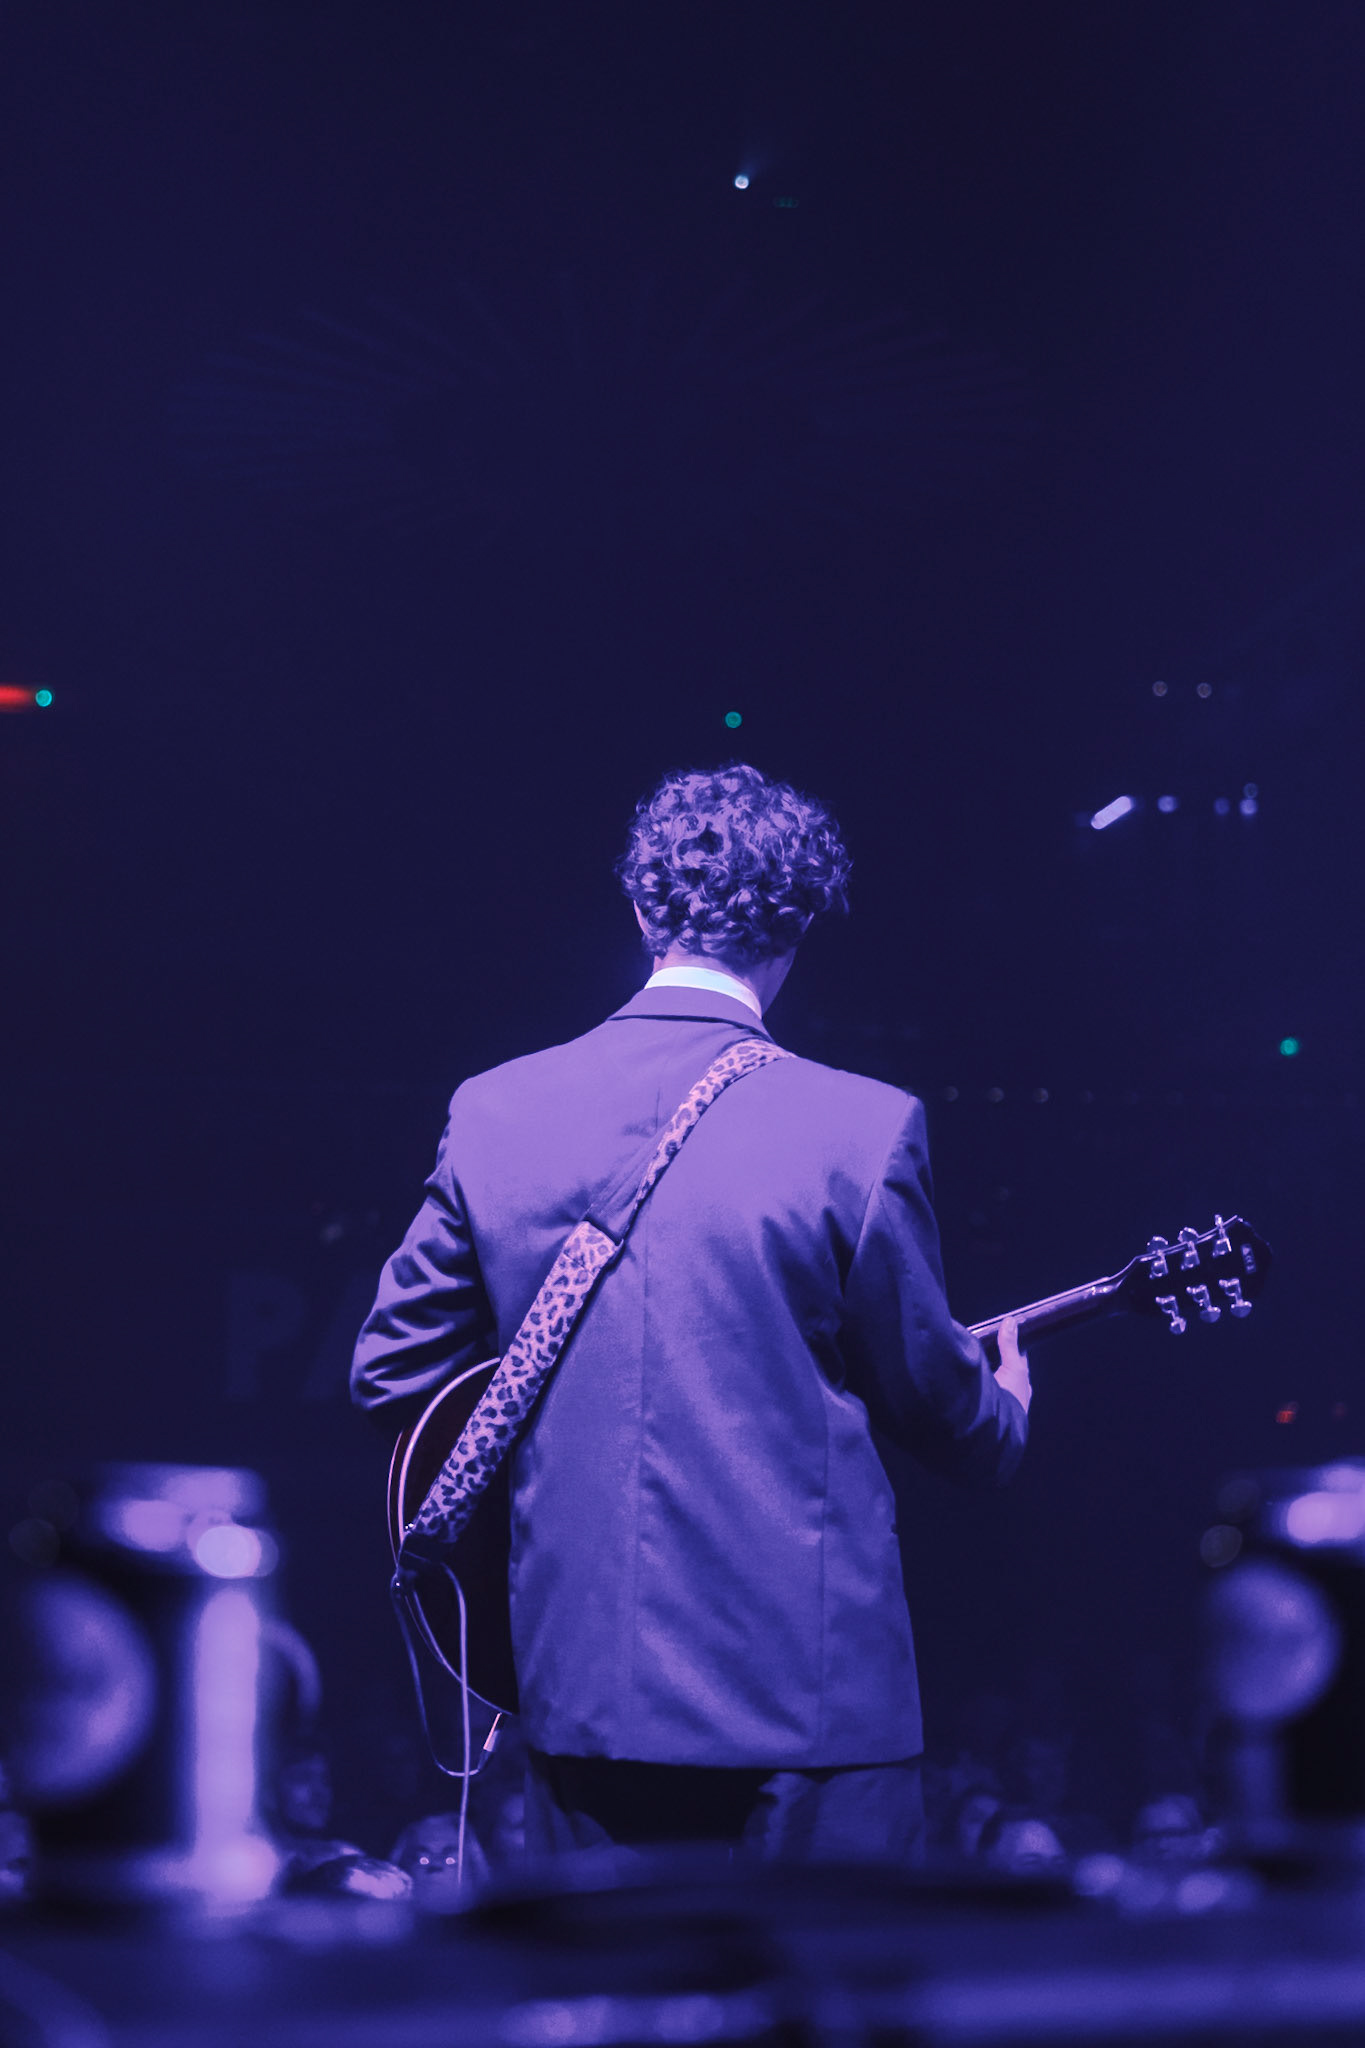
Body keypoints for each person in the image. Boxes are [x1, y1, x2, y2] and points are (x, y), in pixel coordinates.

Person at [351, 762, 1030, 1865]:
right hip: (812, 1715)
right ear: (797, 927)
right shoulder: (861, 1127)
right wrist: (1003, 1403)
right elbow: (941, 1412)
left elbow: (392, 1371)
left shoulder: (496, 1108)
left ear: (640, 908)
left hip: (580, 1699)